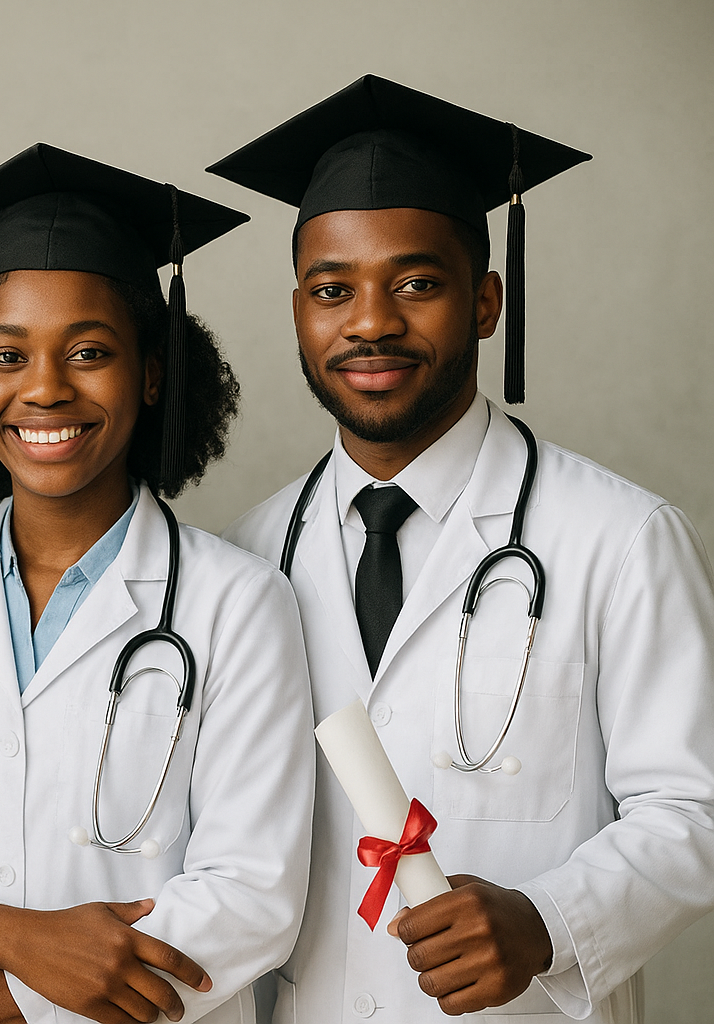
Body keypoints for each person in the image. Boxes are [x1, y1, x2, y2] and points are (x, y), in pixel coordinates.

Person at [212, 76, 714, 1022]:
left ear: (484, 301)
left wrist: (548, 920)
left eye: (417, 283)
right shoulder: (246, 558)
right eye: (333, 291)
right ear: (297, 313)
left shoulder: (620, 539)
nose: (370, 322)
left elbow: (696, 810)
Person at [0, 143, 316, 1024]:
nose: (44, 390)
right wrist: (7, 935)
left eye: (88, 352)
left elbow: (251, 895)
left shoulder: (239, 603)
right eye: (7, 356)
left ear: (150, 373)